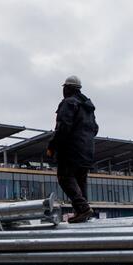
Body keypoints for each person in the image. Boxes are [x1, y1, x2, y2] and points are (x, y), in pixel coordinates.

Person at [46, 75, 99, 223]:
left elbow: (63, 127)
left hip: (71, 150)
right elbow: (95, 129)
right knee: (80, 181)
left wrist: (52, 145)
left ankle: (82, 208)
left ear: (68, 88)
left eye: (64, 88)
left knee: (65, 177)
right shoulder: (88, 107)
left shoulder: (69, 103)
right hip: (87, 151)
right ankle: (81, 212)